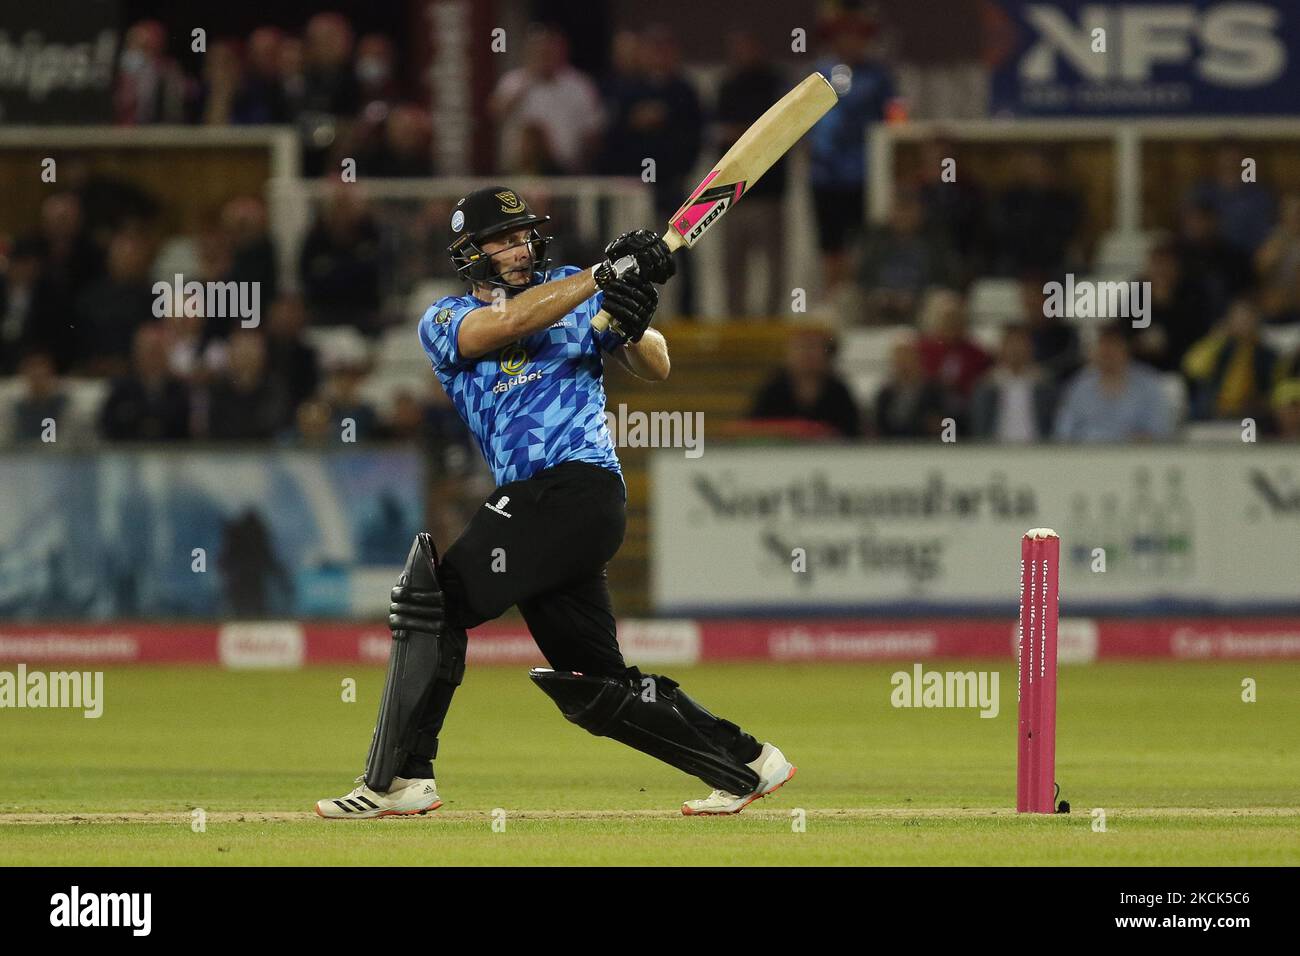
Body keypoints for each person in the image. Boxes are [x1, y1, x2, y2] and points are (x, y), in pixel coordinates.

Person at [316, 186, 795, 819]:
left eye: (524, 236)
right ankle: (746, 763)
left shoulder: (574, 288)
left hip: (574, 489)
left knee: (436, 604)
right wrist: (604, 274)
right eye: (503, 240)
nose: (520, 248)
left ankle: (400, 779)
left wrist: (631, 323)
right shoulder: (446, 318)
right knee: (597, 685)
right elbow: (508, 324)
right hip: (545, 506)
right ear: (470, 253)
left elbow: (657, 364)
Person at [1053, 323, 1174, 441]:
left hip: (1132, 453)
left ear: (1127, 349)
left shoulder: (1149, 385)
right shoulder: (1078, 386)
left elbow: (1160, 432)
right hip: (1086, 452)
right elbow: (1063, 433)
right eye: (1103, 346)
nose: (1107, 352)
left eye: (1113, 346)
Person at [749, 328, 860, 437]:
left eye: (813, 349)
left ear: (828, 356)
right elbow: (754, 427)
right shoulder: (773, 389)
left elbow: (852, 432)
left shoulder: (838, 391)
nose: (807, 355)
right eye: (800, 348)